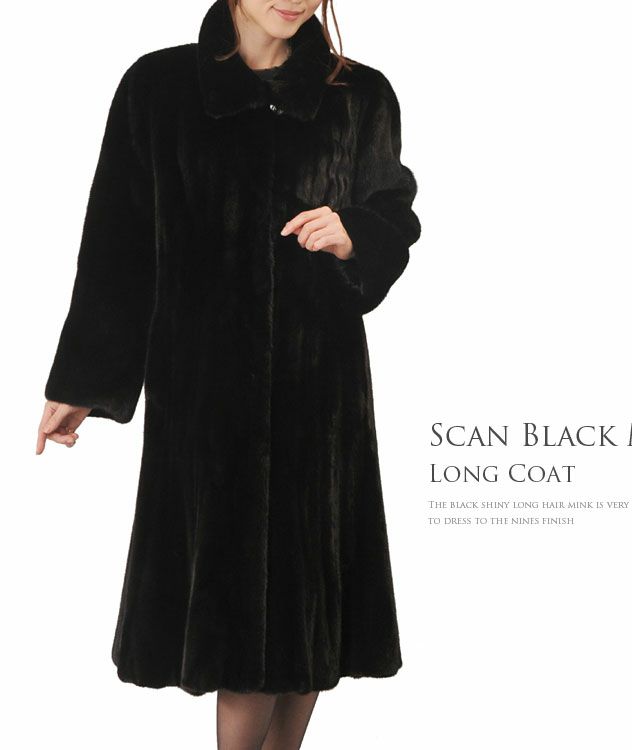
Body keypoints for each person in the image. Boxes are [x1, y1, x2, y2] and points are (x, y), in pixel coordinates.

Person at [36, 0, 421, 747]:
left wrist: (357, 234)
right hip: (205, 398)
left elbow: (393, 209)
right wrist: (83, 379)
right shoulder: (158, 87)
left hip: (320, 394)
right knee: (241, 624)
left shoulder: (360, 94)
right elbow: (118, 240)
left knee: (309, 617)